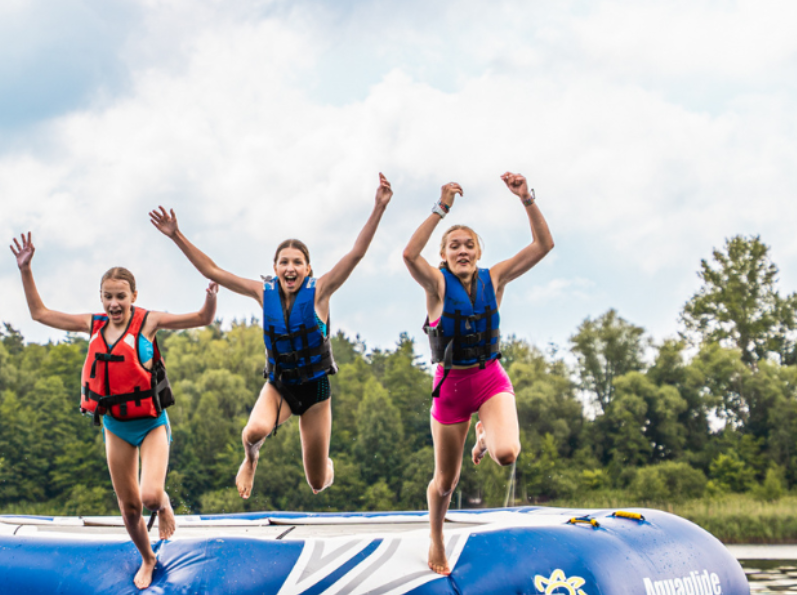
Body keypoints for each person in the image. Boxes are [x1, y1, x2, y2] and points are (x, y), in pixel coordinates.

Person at [150, 173, 392, 499]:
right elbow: (212, 270)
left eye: (297, 262)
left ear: (307, 268)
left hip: (315, 390)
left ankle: (327, 465)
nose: (290, 268)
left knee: (318, 482)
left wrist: (378, 207)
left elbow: (356, 253)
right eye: (284, 262)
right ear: (275, 267)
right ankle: (251, 459)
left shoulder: (320, 292)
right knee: (252, 433)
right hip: (280, 385)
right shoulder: (263, 294)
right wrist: (176, 235)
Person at [10, 231, 217, 590]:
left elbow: (201, 318)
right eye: (108, 297)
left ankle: (163, 501)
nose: (114, 303)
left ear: (134, 296)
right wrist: (26, 269)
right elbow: (39, 314)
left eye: (121, 296)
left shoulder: (148, 322)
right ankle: (148, 558)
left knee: (150, 496)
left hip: (151, 424)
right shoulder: (93, 325)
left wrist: (210, 297)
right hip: (116, 427)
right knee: (130, 508)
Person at [401, 173, 554, 574]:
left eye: (470, 245)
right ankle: (436, 538)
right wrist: (441, 208)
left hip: (489, 379)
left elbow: (543, 245)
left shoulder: (496, 278)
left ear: (479, 253)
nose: (463, 251)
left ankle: (486, 434)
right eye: (455, 246)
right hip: (450, 389)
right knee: (446, 482)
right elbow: (408, 255)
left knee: (507, 454)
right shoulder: (435, 286)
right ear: (445, 255)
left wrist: (527, 199)